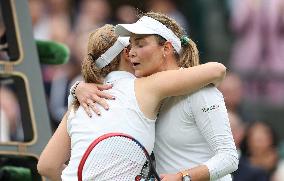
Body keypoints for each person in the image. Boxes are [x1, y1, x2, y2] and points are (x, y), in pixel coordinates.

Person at [37, 23, 226, 181]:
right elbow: (217, 70)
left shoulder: (77, 105)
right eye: (133, 46)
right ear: (127, 54)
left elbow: (46, 166)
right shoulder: (146, 87)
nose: (136, 51)